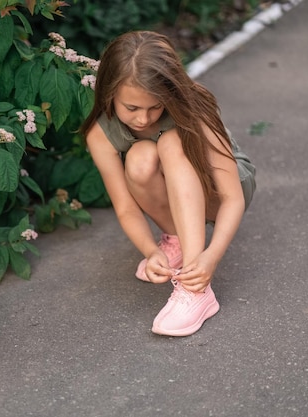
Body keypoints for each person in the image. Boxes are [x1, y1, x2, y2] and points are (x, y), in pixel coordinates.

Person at [80, 31, 256, 337]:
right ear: (108, 93)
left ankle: (196, 290)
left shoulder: (192, 108)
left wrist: (208, 259)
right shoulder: (100, 133)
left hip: (223, 187)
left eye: (155, 107)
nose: (144, 119)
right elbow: (124, 207)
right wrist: (150, 251)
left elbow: (233, 198)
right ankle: (174, 239)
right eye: (131, 108)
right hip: (179, 191)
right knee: (139, 157)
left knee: (171, 141)